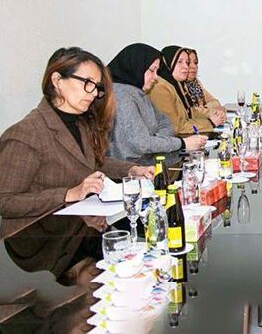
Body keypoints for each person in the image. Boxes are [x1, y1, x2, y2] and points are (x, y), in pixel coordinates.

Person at [0, 47, 154, 219]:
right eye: (87, 82)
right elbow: (6, 201)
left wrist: (131, 170)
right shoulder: (26, 133)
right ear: (57, 80)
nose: (94, 92)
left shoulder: (81, 122)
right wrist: (69, 193)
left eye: (96, 86)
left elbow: (90, 164)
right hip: (37, 230)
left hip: (78, 223)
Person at [108, 43, 207, 162]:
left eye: (157, 71)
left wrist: (155, 141)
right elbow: (141, 144)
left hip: (148, 159)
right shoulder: (121, 96)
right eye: (152, 70)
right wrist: (183, 143)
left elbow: (165, 122)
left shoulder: (139, 92)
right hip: (129, 168)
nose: (155, 77)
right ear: (137, 67)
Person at [149, 45, 225, 135]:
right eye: (180, 62)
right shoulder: (160, 87)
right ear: (168, 63)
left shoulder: (176, 84)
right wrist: (210, 122)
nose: (186, 67)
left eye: (187, 62)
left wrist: (215, 114)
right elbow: (176, 127)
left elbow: (189, 113)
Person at [184, 49, 227, 121]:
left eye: (195, 62)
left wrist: (204, 109)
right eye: (188, 63)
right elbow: (192, 113)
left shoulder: (196, 83)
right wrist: (210, 111)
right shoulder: (178, 86)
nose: (193, 66)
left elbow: (215, 102)